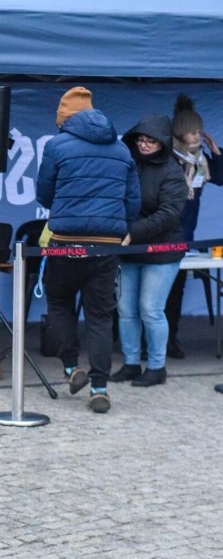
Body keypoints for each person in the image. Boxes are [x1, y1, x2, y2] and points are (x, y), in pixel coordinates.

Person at [36, 86, 140, 414]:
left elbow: (44, 194)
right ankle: (99, 387)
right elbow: (133, 202)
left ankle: (71, 368)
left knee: (59, 302)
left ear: (64, 119)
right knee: (99, 316)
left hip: (65, 240)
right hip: (106, 245)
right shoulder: (122, 149)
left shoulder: (56, 146)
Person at [110, 116, 186, 388]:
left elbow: (169, 214)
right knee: (126, 309)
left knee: (150, 309)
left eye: (150, 140)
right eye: (140, 139)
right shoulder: (129, 164)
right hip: (131, 250)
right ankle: (131, 363)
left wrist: (133, 233)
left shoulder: (172, 171)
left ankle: (156, 367)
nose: (143, 144)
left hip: (162, 251)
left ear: (162, 143)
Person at [164, 94, 223, 359]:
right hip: (163, 231)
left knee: (177, 287)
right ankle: (149, 342)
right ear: (179, 134)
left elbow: (220, 179)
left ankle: (170, 341)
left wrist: (217, 152)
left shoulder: (201, 161)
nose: (197, 136)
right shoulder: (167, 159)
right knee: (157, 291)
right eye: (192, 132)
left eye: (199, 131)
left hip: (187, 235)